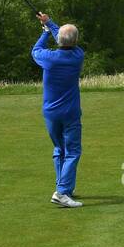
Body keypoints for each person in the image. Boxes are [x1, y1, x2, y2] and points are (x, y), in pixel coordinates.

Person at [32, 12, 86, 208]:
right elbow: (64, 39)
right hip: (70, 112)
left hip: (51, 112)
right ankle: (62, 191)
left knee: (59, 149)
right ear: (76, 41)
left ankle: (63, 187)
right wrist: (50, 24)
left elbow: (36, 50)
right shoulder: (78, 55)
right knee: (72, 151)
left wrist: (46, 31)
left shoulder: (48, 58)